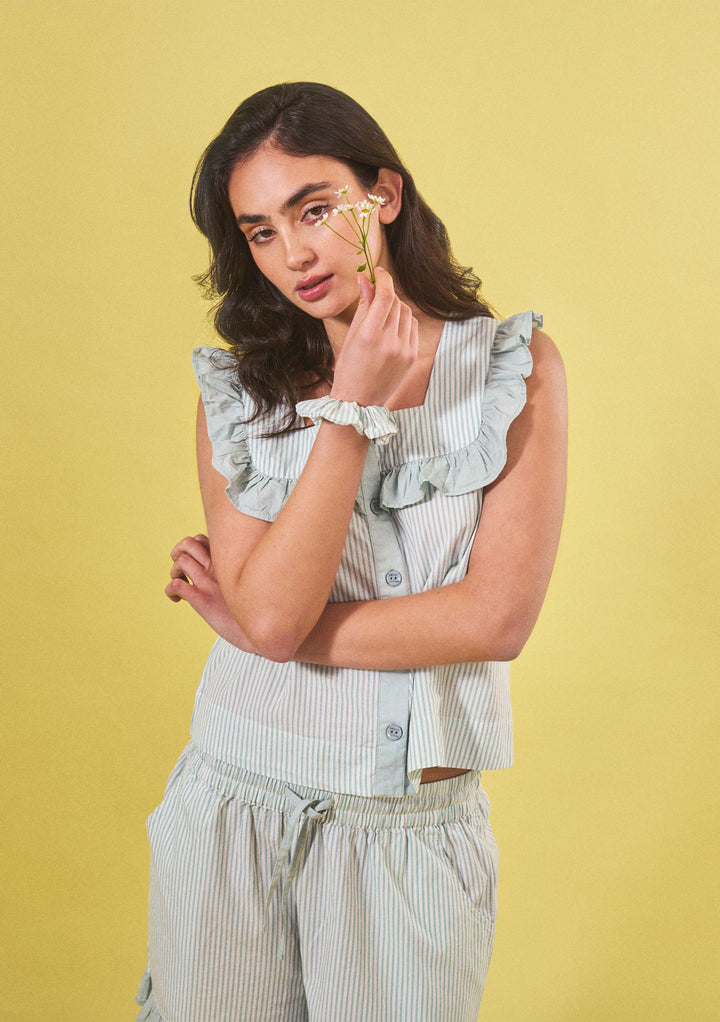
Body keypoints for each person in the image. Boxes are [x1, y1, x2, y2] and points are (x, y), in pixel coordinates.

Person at [136, 81, 567, 1022]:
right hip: (235, 805)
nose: (293, 254)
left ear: (387, 194)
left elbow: (496, 620)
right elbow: (276, 614)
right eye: (258, 231)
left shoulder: (512, 369)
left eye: (316, 209)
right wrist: (353, 409)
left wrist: (261, 628)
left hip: (410, 832)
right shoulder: (241, 392)